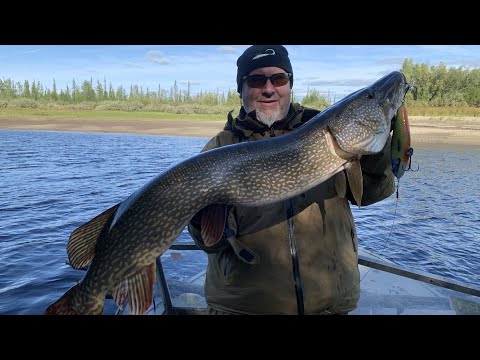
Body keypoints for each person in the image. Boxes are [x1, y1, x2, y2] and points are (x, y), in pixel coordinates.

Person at [187, 45, 395, 315]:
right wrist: (198, 215)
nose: (269, 88)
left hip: (330, 306)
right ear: (242, 89)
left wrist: (375, 149)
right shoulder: (219, 149)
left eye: (279, 79)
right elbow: (207, 241)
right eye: (256, 80)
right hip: (243, 308)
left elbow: (370, 194)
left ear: (290, 85)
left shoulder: (327, 131)